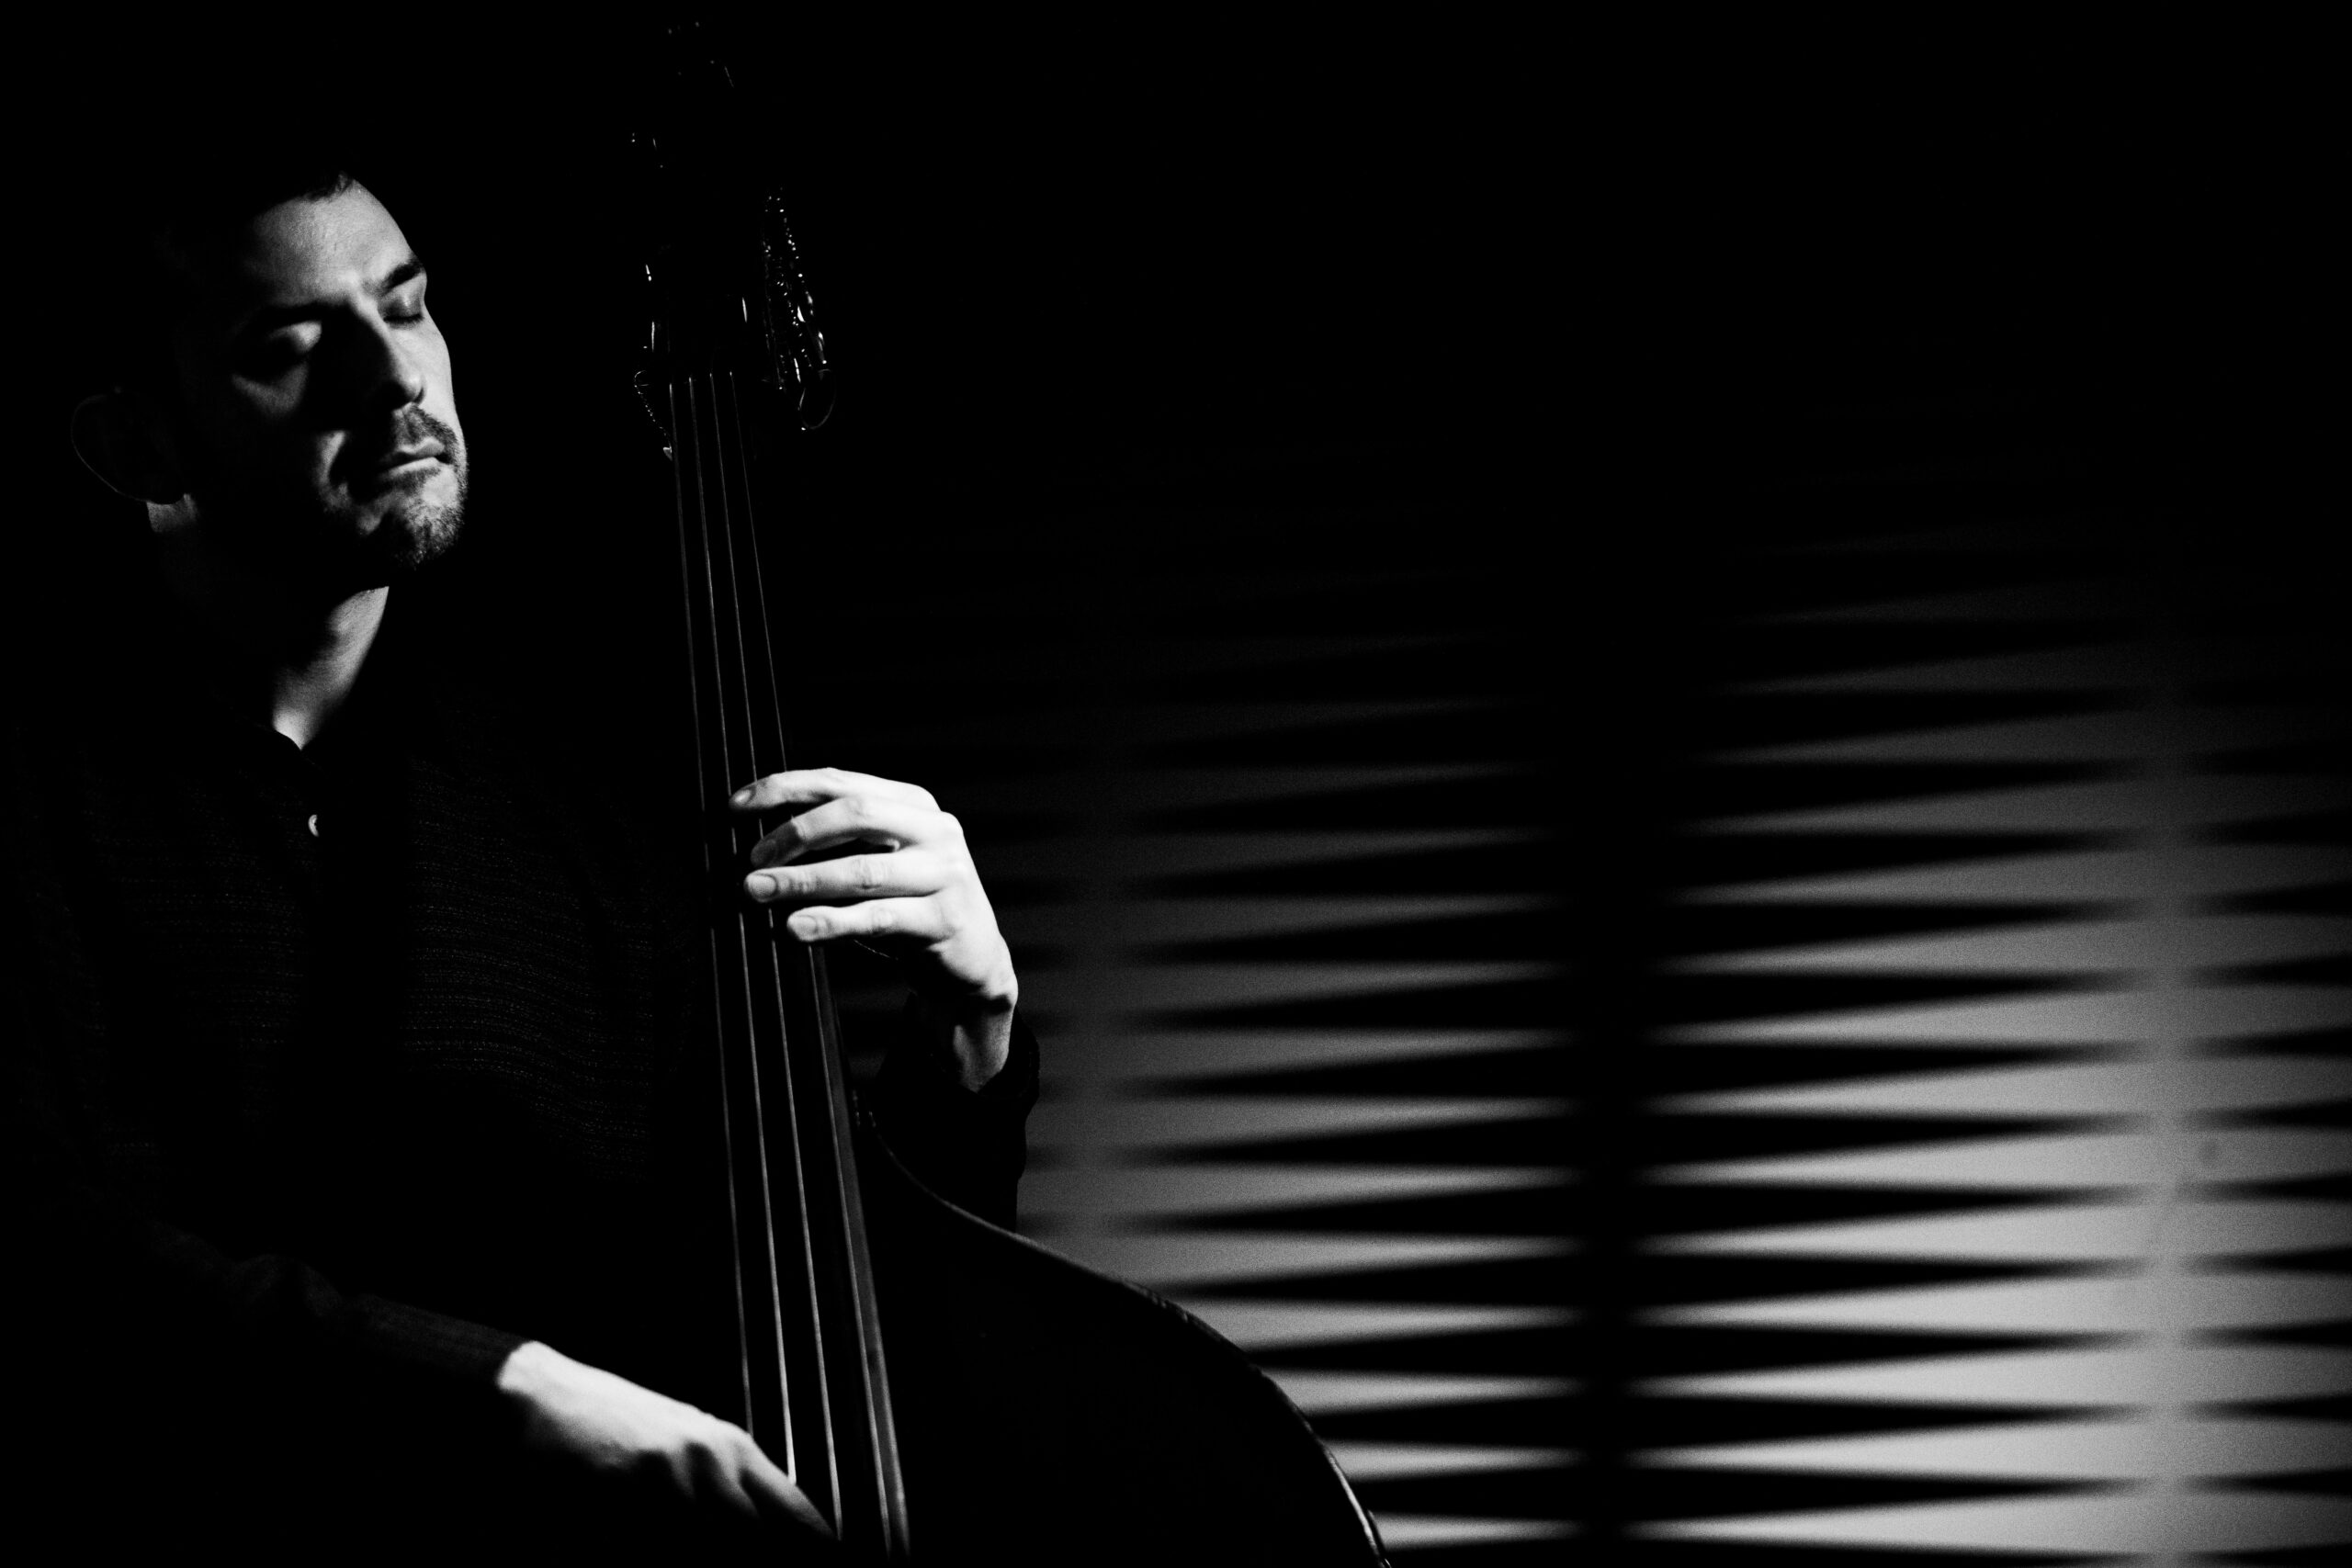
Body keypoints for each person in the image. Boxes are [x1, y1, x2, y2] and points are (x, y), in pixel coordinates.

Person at [4, 152, 1035, 1555]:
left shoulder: (598, 793)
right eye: (290, 346)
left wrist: (968, 1040)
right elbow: (18, 1253)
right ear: (137, 444)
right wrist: (497, 1390)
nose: (394, 379)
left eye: (407, 305)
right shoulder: (4, 786)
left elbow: (847, 1322)